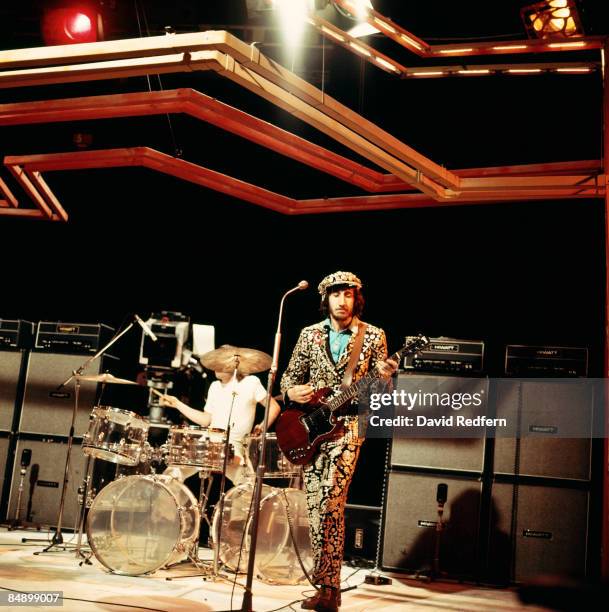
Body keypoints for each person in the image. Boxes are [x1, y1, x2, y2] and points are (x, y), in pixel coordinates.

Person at [280, 271, 397, 612]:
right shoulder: (309, 335)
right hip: (313, 427)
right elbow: (290, 376)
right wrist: (291, 391)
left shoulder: (373, 336)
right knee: (316, 506)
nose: (341, 301)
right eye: (335, 295)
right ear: (326, 299)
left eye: (348, 295)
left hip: (349, 426)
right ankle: (325, 586)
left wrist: (385, 379)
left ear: (356, 299)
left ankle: (330, 589)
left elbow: (380, 392)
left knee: (331, 498)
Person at [160, 368, 282, 485]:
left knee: (248, 490)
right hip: (209, 444)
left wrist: (262, 426)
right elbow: (205, 420)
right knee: (171, 475)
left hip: (234, 447)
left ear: (233, 364)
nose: (215, 367)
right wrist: (177, 404)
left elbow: (274, 407)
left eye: (220, 363)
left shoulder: (251, 382)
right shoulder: (214, 386)